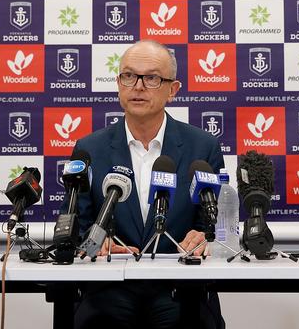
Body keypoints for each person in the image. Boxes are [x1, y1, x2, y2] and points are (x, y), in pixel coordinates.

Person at [65, 40, 225, 329]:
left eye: (151, 78)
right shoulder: (90, 148)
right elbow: (76, 223)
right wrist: (96, 241)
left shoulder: (202, 147)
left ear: (172, 90)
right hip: (109, 287)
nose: (137, 86)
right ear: (118, 84)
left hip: (179, 288)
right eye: (129, 76)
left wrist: (205, 239)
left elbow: (216, 229)